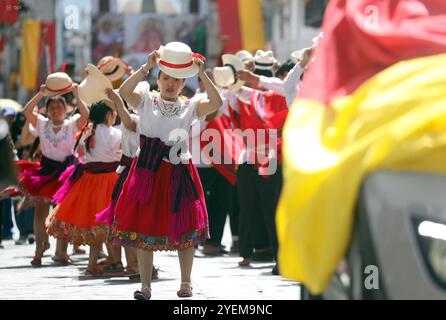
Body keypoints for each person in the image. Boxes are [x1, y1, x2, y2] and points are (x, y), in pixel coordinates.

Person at [114, 42, 222, 299]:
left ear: (183, 84)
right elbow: (123, 91)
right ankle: (145, 286)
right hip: (147, 172)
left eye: (176, 80)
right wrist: (145, 68)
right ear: (158, 80)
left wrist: (203, 73)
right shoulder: (146, 100)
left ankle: (186, 283)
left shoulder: (190, 106)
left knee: (185, 228)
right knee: (144, 229)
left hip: (178, 170)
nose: (170, 83)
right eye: (165, 78)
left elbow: (216, 102)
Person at [47, 100, 122, 275]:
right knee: (109, 223)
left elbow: (79, 153)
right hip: (109, 180)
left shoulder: (87, 132)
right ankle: (113, 261)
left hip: (89, 180)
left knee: (95, 225)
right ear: (107, 115)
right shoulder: (113, 133)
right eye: (114, 113)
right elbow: (122, 152)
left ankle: (96, 263)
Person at [19, 79, 89, 266]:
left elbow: (85, 114)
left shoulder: (72, 124)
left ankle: (61, 250)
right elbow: (26, 111)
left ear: (66, 109)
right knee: (40, 211)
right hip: (46, 170)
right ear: (47, 110)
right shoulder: (42, 123)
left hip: (67, 171)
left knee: (63, 212)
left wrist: (76, 94)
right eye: (52, 107)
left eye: (60, 106)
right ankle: (40, 249)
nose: (56, 110)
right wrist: (41, 94)